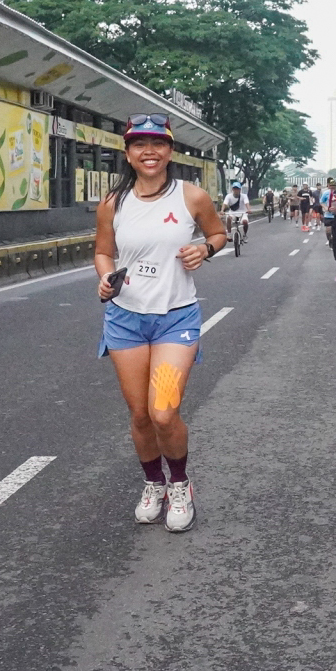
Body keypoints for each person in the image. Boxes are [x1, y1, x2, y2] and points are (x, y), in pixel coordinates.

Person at [94, 114, 228, 534]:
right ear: (128, 153)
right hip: (126, 321)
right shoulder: (113, 203)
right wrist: (105, 277)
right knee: (140, 416)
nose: (149, 151)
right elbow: (103, 252)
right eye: (139, 144)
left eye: (158, 144)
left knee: (164, 413)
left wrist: (205, 250)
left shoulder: (192, 196)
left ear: (170, 151)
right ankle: (154, 484)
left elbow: (219, 234)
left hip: (176, 320)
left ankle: (180, 484)